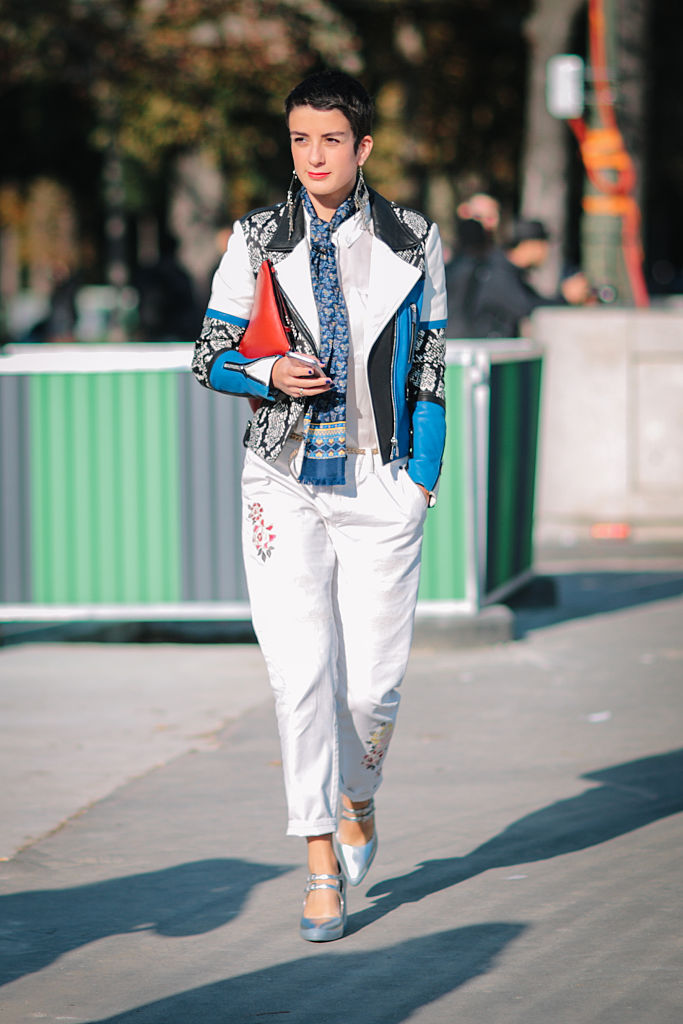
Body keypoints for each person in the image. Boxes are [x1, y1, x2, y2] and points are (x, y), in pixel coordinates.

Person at [191, 70, 447, 942]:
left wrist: (421, 485)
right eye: (299, 140)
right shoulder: (258, 236)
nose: (312, 156)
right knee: (299, 676)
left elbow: (429, 373)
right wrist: (267, 372)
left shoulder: (415, 238)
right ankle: (316, 865)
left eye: (329, 140)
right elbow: (209, 355)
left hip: (383, 480)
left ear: (362, 147)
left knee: (371, 690)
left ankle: (359, 799)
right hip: (283, 477)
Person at [445, 213, 592, 339]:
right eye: (543, 244)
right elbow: (527, 307)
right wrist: (565, 297)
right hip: (471, 357)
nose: (546, 251)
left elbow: (532, 301)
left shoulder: (507, 271)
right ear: (529, 245)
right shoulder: (496, 272)